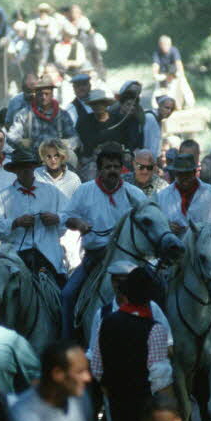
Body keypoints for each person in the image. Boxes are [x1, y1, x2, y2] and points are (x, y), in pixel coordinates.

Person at [61, 142, 149, 336]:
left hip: (129, 259)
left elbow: (148, 220)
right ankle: (69, 341)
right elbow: (66, 217)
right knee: (67, 295)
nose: (112, 171)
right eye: (108, 167)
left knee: (159, 287)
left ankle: (162, 335)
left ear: (122, 169)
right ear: (99, 170)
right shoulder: (85, 190)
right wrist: (79, 223)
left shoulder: (135, 194)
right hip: (96, 257)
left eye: (116, 167)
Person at [87, 266, 174, 421]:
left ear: (125, 294)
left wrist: (111, 389)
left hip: (116, 401)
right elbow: (161, 381)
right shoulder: (156, 330)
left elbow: (97, 368)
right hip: (146, 404)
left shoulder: (106, 322)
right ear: (150, 298)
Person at [0, 149, 69, 279]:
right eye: (21, 167)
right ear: (15, 170)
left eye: (28, 166)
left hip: (49, 255)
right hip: (15, 257)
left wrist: (57, 218)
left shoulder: (52, 192)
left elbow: (70, 214)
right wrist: (15, 223)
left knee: (64, 288)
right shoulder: (2, 197)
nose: (25, 170)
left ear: (33, 167)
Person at [156, 153, 211, 237]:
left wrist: (202, 227)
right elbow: (155, 223)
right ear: (175, 174)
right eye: (180, 174)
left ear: (194, 172)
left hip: (203, 243)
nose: (184, 177)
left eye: (188, 173)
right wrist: (166, 226)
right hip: (173, 243)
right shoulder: (163, 195)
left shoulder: (210, 192)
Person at [76, 89, 141, 178]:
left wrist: (127, 152)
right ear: (91, 105)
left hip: (118, 159)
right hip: (92, 161)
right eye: (95, 104)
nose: (98, 106)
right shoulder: (84, 122)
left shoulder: (119, 120)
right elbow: (82, 145)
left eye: (101, 103)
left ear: (106, 104)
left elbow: (128, 144)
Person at [6, 76, 80, 155]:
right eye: (40, 94)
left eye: (46, 94)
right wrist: (20, 142)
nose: (43, 97)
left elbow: (75, 139)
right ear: (35, 94)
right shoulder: (24, 114)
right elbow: (11, 137)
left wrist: (67, 143)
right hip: (32, 158)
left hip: (56, 158)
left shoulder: (62, 115)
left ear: (52, 94)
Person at [152, 35, 195, 109]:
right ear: (160, 45)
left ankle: (190, 103)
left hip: (174, 74)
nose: (165, 46)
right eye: (163, 44)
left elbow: (178, 63)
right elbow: (155, 65)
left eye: (167, 44)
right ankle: (157, 106)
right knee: (158, 88)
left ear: (170, 44)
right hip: (164, 75)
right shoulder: (157, 53)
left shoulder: (174, 51)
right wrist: (155, 75)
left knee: (183, 83)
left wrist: (181, 75)